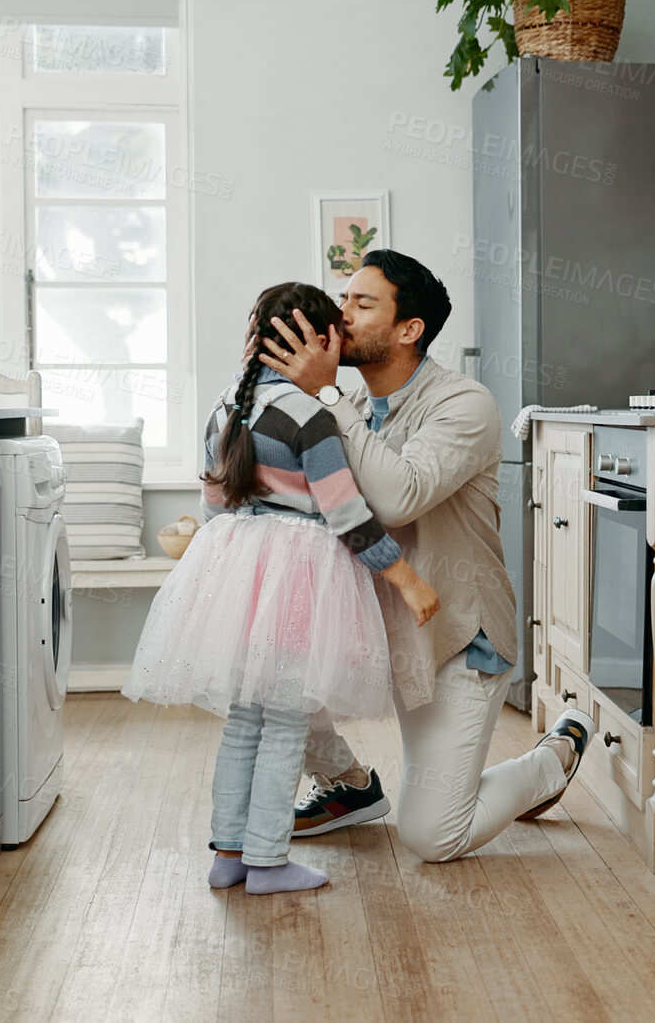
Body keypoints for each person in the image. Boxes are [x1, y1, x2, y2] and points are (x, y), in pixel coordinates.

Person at [258, 248, 595, 863]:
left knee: (431, 837)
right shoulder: (353, 407)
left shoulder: (464, 404)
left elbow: (398, 496)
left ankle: (553, 757)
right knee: (266, 666)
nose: (342, 315)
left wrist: (326, 393)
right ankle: (349, 787)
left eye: (363, 304)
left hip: (455, 638)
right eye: (343, 299)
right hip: (376, 625)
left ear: (409, 330)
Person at [120, 281, 441, 895]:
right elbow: (345, 512)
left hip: (238, 569)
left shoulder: (226, 407)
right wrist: (404, 578)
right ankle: (269, 861)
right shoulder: (313, 416)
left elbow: (214, 506)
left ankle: (229, 854)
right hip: (301, 577)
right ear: (319, 342)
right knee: (288, 722)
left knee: (244, 720)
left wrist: (228, 580)